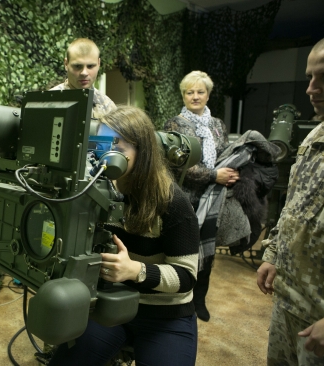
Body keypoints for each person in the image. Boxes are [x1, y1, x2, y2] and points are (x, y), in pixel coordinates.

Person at [48, 105, 200, 366]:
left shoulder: (172, 202)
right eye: (101, 143)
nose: (105, 154)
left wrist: (136, 271)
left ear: (142, 152)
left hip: (165, 315)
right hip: (110, 304)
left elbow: (187, 276)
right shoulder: (96, 189)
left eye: (116, 145)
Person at [256, 38, 324, 364]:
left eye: (322, 78)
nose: (312, 89)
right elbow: (294, 204)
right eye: (310, 77)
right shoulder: (315, 137)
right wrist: (272, 253)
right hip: (289, 303)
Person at [163, 70, 239, 322]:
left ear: (208, 94)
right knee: (182, 249)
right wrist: (214, 175)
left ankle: (200, 300)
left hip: (213, 198)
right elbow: (179, 164)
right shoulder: (174, 124)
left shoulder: (217, 125)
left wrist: (229, 174)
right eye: (189, 92)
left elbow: (226, 155)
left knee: (207, 251)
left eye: (200, 92)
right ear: (183, 95)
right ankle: (179, 299)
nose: (195, 96)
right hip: (184, 196)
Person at [50, 38, 116, 119]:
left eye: (90, 66)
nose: (84, 73)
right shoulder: (49, 102)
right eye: (77, 66)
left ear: (99, 63)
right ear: (66, 64)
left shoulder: (108, 108)